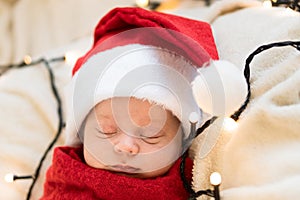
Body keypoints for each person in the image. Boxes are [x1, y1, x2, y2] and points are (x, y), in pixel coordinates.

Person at [41, 7, 246, 200]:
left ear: (181, 144)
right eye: (107, 131)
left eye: (151, 135)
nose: (125, 146)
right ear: (81, 134)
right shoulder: (64, 177)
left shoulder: (189, 182)